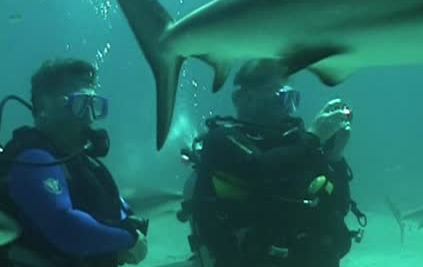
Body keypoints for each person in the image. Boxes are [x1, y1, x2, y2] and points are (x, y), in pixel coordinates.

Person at [182, 59, 364, 267]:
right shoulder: (221, 140)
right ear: (245, 98)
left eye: (293, 99)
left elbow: (338, 207)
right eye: (281, 98)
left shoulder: (300, 146)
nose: (289, 109)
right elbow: (259, 170)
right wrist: (312, 139)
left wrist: (335, 157)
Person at [0, 58, 149, 267]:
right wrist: (128, 238)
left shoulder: (79, 161)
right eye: (80, 104)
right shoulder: (32, 159)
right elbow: (65, 228)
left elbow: (116, 205)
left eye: (94, 106)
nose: (89, 118)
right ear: (43, 107)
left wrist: (126, 225)